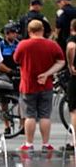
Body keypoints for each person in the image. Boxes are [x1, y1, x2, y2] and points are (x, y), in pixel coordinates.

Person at [14, 19, 66, 152]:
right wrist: (47, 73)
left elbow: (16, 60)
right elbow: (61, 61)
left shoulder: (23, 45)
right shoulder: (52, 45)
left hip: (28, 85)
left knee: (29, 115)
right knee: (44, 116)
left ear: (29, 31)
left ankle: (29, 144)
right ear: (42, 30)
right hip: (46, 85)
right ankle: (45, 144)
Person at [65, 19, 76, 151]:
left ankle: (74, 141)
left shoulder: (73, 38)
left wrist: (70, 64)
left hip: (75, 77)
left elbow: (71, 47)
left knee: (74, 109)